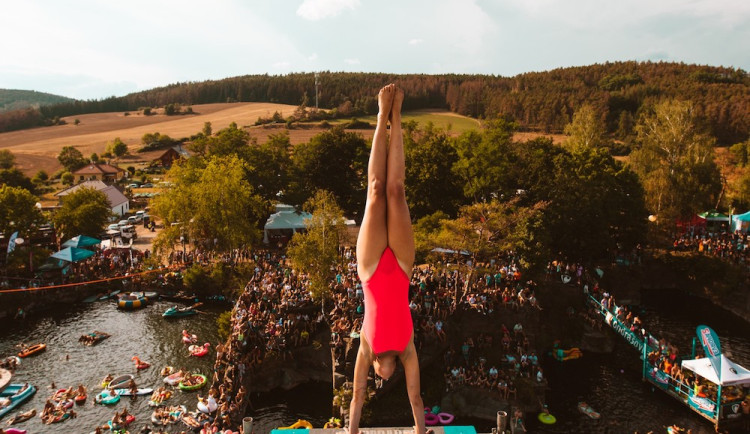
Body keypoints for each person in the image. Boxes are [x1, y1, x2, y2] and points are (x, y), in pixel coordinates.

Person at [347, 84, 430, 434]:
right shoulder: (408, 350)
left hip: (369, 270)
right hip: (400, 267)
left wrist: (351, 433)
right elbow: (416, 398)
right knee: (396, 191)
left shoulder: (367, 348)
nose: (382, 380)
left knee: (376, 190)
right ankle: (397, 115)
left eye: (379, 380)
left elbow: (356, 396)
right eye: (383, 379)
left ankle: (381, 116)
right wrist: (420, 431)